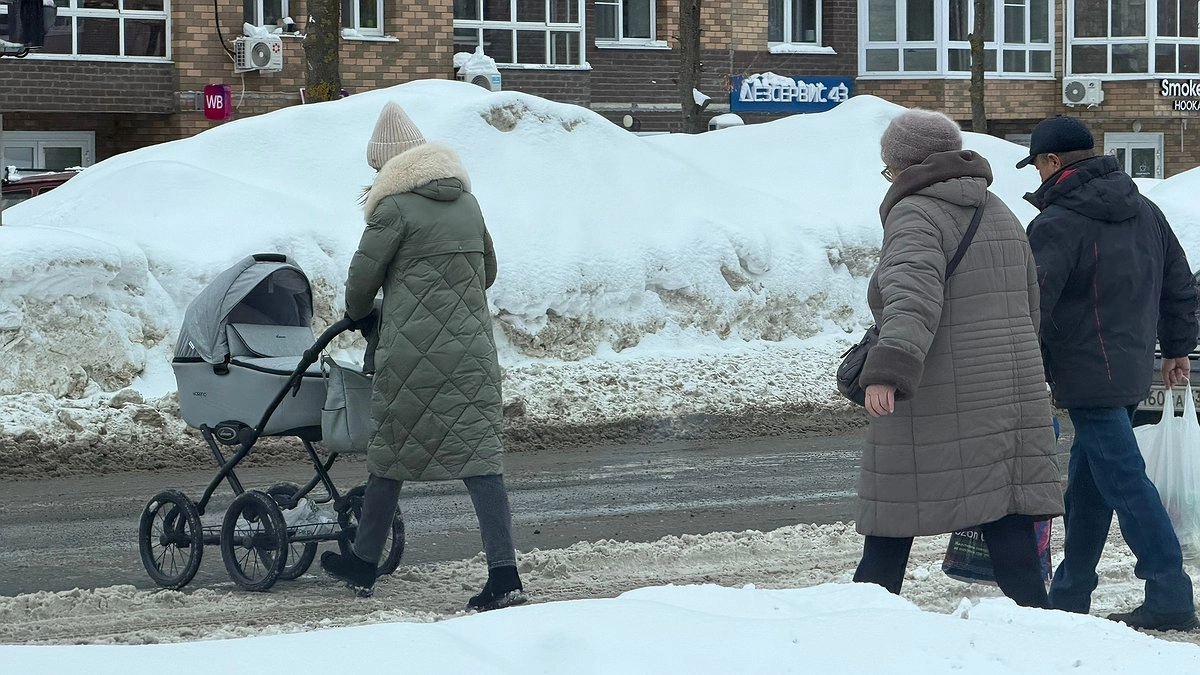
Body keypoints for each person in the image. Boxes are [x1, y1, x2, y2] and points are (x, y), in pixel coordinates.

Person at [319, 101, 526, 612]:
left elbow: (358, 289)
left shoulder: (392, 210)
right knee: (482, 462)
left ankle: (365, 563)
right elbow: (488, 272)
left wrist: (379, 308)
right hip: (473, 353)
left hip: (411, 354)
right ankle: (505, 574)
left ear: (389, 165)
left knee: (389, 454)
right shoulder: (468, 205)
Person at [854, 109, 1064, 608]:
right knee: (1005, 514)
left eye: (889, 169)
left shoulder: (916, 213)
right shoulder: (998, 209)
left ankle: (861, 624)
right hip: (1009, 393)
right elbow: (1029, 306)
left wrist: (887, 372)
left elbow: (911, 297)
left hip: (938, 390)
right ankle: (1041, 626)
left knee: (892, 515)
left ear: (905, 165)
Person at [1019, 115, 1199, 631]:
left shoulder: (1056, 223)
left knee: (1124, 480)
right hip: (1130, 365)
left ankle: (1169, 592)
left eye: (1036, 165)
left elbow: (1032, 303)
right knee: (1091, 483)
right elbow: (1181, 283)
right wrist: (1178, 347)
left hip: (1084, 373)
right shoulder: (1144, 210)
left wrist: (1026, 369)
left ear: (1051, 162)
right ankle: (1072, 590)